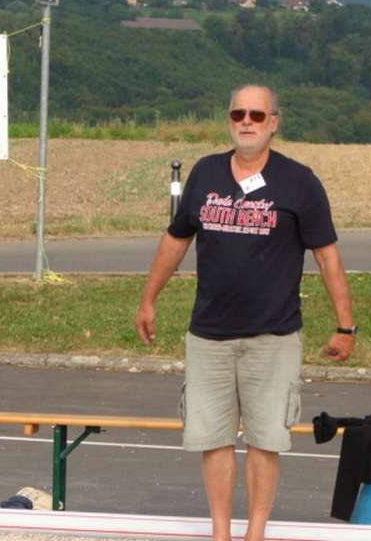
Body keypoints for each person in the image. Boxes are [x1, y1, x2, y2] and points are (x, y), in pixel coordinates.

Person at [135, 84, 356, 541]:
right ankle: (221, 533)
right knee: (212, 440)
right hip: (208, 336)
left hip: (272, 338)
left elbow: (327, 255)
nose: (247, 122)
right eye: (239, 113)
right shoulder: (206, 173)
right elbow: (176, 239)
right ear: (229, 119)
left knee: (264, 441)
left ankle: (254, 533)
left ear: (274, 121)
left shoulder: (299, 182)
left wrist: (345, 325)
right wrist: (148, 299)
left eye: (257, 114)